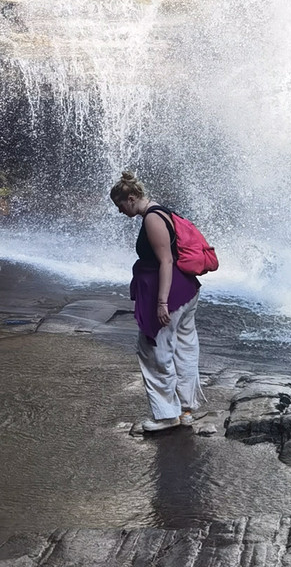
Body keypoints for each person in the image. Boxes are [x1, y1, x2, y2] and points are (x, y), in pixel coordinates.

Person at [109, 171, 204, 432]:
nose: (120, 212)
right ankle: (185, 409)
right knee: (184, 348)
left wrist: (161, 303)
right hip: (185, 290)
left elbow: (166, 261)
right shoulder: (162, 211)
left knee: (154, 350)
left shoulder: (152, 219)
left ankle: (166, 415)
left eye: (120, 206)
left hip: (169, 294)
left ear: (130, 198)